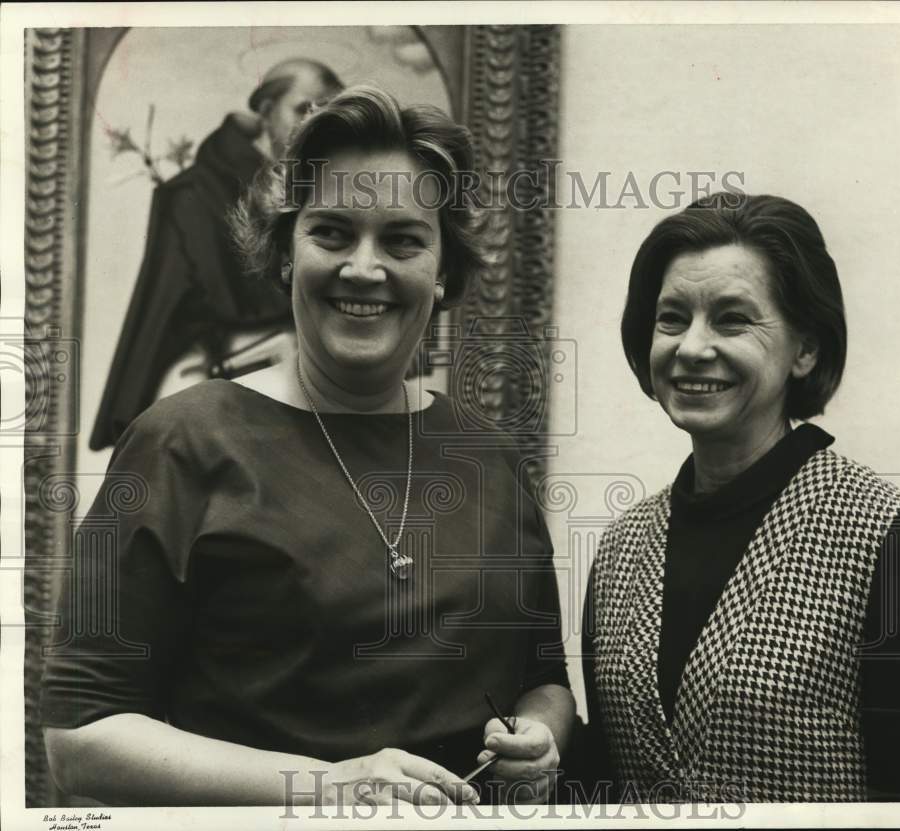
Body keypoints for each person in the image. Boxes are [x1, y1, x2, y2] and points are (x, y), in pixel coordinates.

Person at [44, 85, 575, 808]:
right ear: (285, 252)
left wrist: (541, 739)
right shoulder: (175, 442)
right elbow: (80, 738)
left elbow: (542, 680)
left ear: (444, 269)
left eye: (403, 239)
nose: (364, 267)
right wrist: (323, 786)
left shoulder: (490, 457)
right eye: (331, 232)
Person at [577, 193, 900, 803]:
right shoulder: (620, 548)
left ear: (805, 349)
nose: (691, 347)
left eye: (732, 319)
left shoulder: (895, 540)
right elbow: (610, 779)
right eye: (672, 318)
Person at [89, 58, 343, 451]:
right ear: (264, 110)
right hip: (216, 389)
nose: (314, 125)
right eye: (303, 109)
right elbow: (165, 313)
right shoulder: (193, 195)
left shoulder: (315, 194)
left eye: (326, 115)